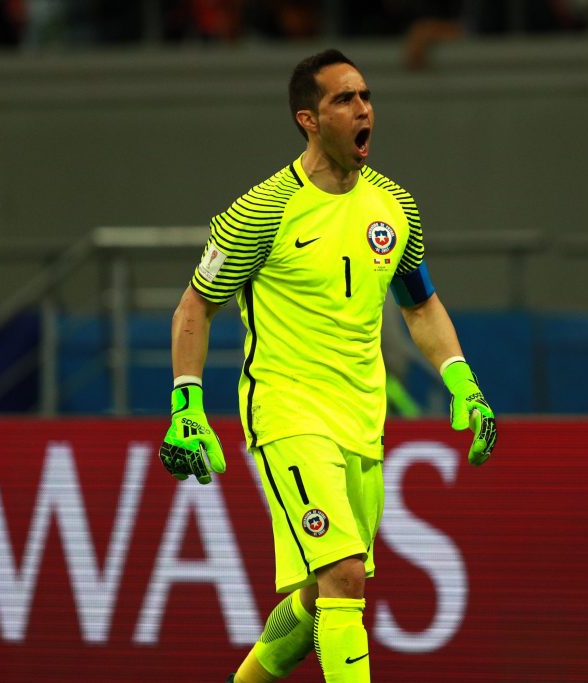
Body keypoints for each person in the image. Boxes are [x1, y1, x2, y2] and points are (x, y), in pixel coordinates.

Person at [156, 49, 498, 683]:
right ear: (308, 120)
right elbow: (195, 306)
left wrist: (462, 382)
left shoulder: (395, 209)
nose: (363, 108)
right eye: (344, 99)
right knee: (343, 577)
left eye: (366, 96)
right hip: (287, 411)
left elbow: (421, 307)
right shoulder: (261, 210)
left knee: (320, 598)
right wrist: (186, 403)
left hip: (361, 420)